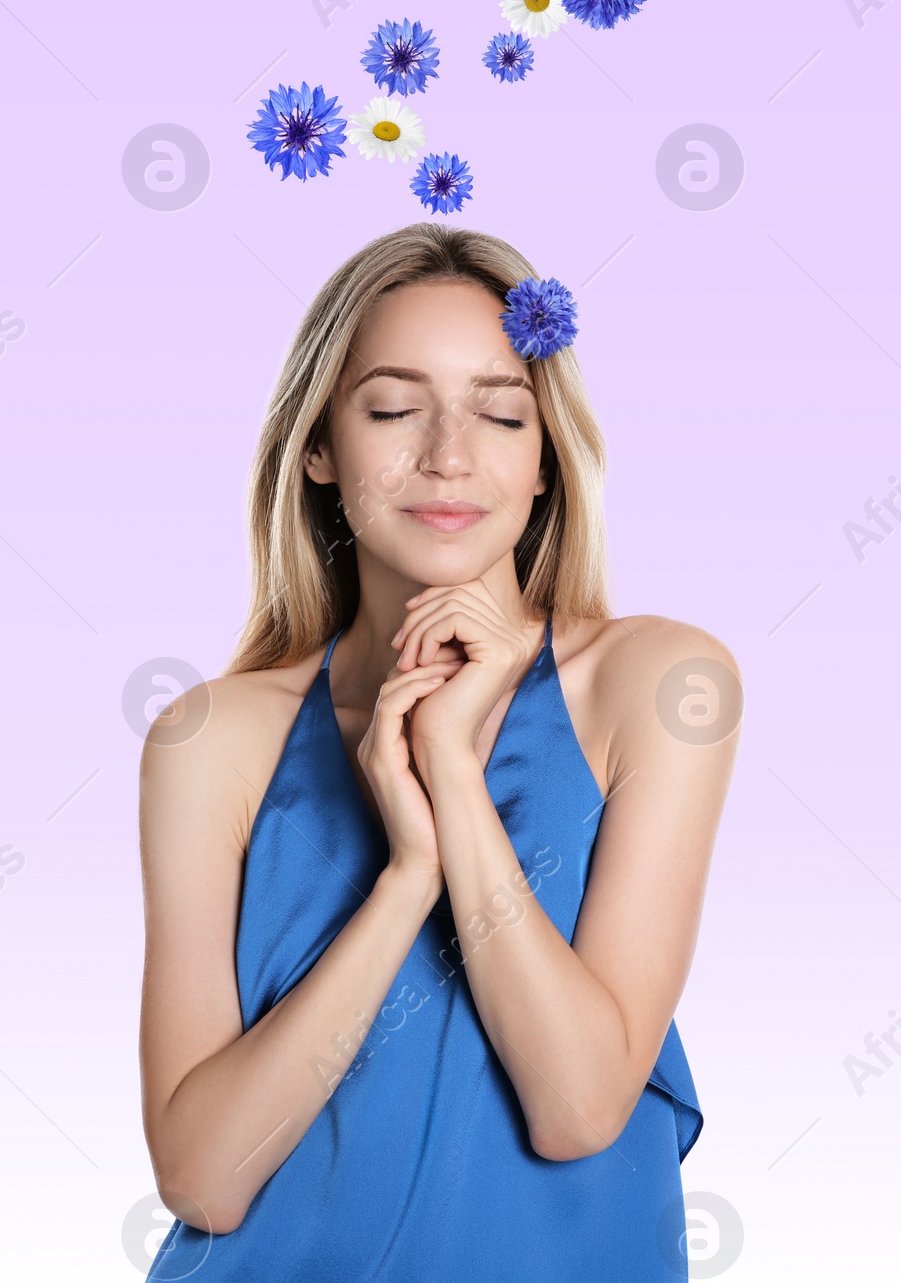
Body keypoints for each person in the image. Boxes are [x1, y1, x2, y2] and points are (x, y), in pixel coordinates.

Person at [138, 223, 740, 1280]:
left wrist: (454, 780)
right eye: (392, 407)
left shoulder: (655, 682)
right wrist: (404, 876)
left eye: (501, 412)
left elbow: (577, 1104)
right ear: (318, 446)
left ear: (546, 457)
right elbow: (202, 1175)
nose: (448, 455)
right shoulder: (214, 739)